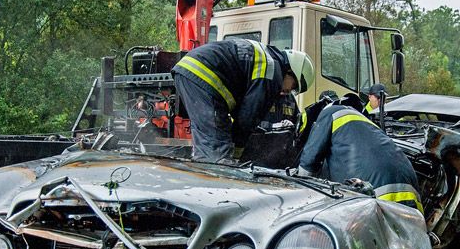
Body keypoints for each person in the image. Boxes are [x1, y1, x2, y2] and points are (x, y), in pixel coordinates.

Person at [172, 40, 314, 162]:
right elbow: (248, 116)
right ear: (290, 71)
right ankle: (212, 186)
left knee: (216, 134)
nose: (289, 91)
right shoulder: (272, 72)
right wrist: (238, 152)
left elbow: (240, 109)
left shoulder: (268, 59)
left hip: (193, 72)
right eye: (294, 86)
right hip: (202, 75)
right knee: (215, 144)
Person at [297, 102, 423, 213]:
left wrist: (300, 193)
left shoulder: (329, 114)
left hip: (376, 190)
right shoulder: (363, 123)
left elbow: (309, 160)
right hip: (409, 182)